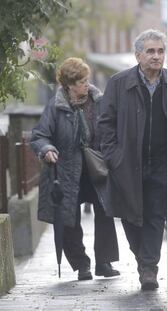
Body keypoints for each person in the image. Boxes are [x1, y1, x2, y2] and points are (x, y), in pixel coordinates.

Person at [98, 29, 167, 290]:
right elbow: (105, 123)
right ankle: (144, 260)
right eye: (151, 51)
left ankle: (149, 267)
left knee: (156, 214)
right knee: (131, 215)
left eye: (161, 51)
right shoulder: (119, 82)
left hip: (163, 162)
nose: (157, 56)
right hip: (128, 163)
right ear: (138, 55)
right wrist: (114, 155)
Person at [31, 57, 120, 281]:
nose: (85, 85)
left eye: (87, 80)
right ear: (68, 84)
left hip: (96, 166)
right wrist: (47, 149)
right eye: (80, 81)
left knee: (105, 211)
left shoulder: (99, 101)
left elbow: (112, 128)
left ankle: (104, 262)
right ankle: (82, 264)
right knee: (69, 217)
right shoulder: (56, 106)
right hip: (68, 169)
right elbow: (40, 135)